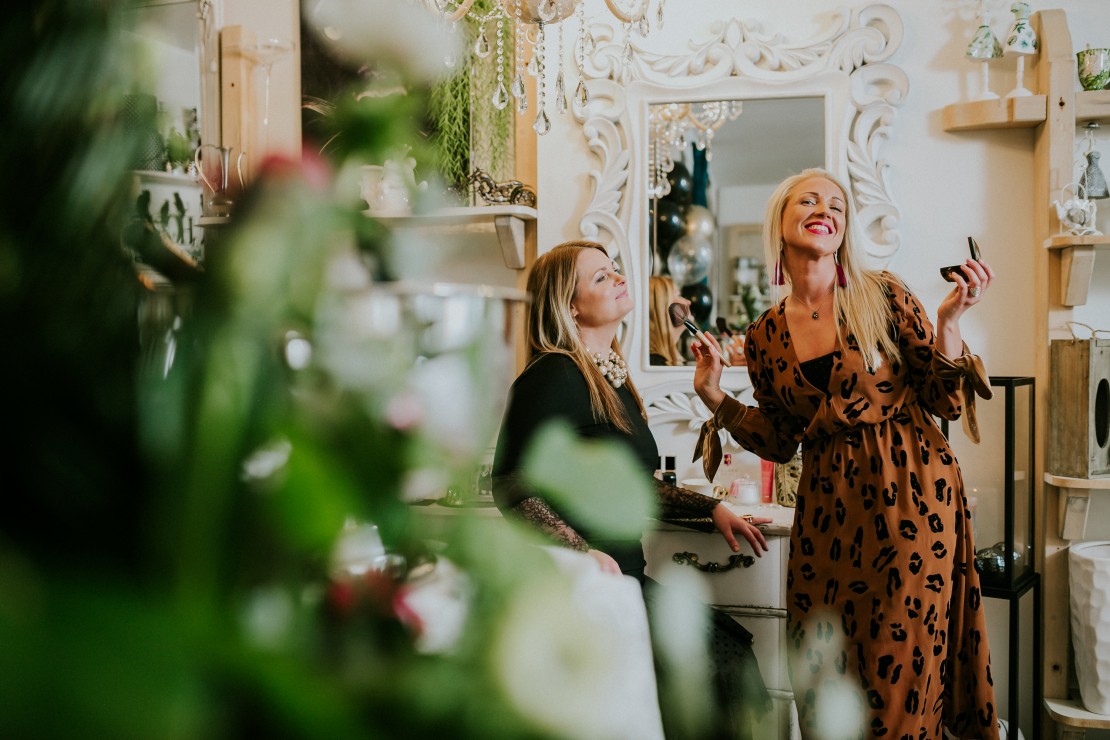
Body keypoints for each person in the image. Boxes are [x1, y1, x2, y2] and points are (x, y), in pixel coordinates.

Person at [690, 168, 999, 739]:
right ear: (781, 222)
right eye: (808, 200)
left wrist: (950, 320)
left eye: (836, 205)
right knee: (822, 672)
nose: (824, 210)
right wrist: (714, 395)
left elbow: (945, 400)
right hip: (826, 517)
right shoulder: (764, 335)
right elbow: (780, 439)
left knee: (897, 679)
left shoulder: (882, 295)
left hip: (909, 504)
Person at [492, 240, 771, 739]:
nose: (620, 278)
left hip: (625, 580)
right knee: (715, 673)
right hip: (586, 590)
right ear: (570, 306)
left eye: (615, 269)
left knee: (725, 665)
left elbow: (636, 487)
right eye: (601, 277)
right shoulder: (552, 374)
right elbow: (510, 485)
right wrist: (580, 553)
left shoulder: (612, 378)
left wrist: (712, 509)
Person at [648, 274, 689, 366]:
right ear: (663, 306)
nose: (688, 302)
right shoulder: (655, 364)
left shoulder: (665, 360)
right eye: (679, 295)